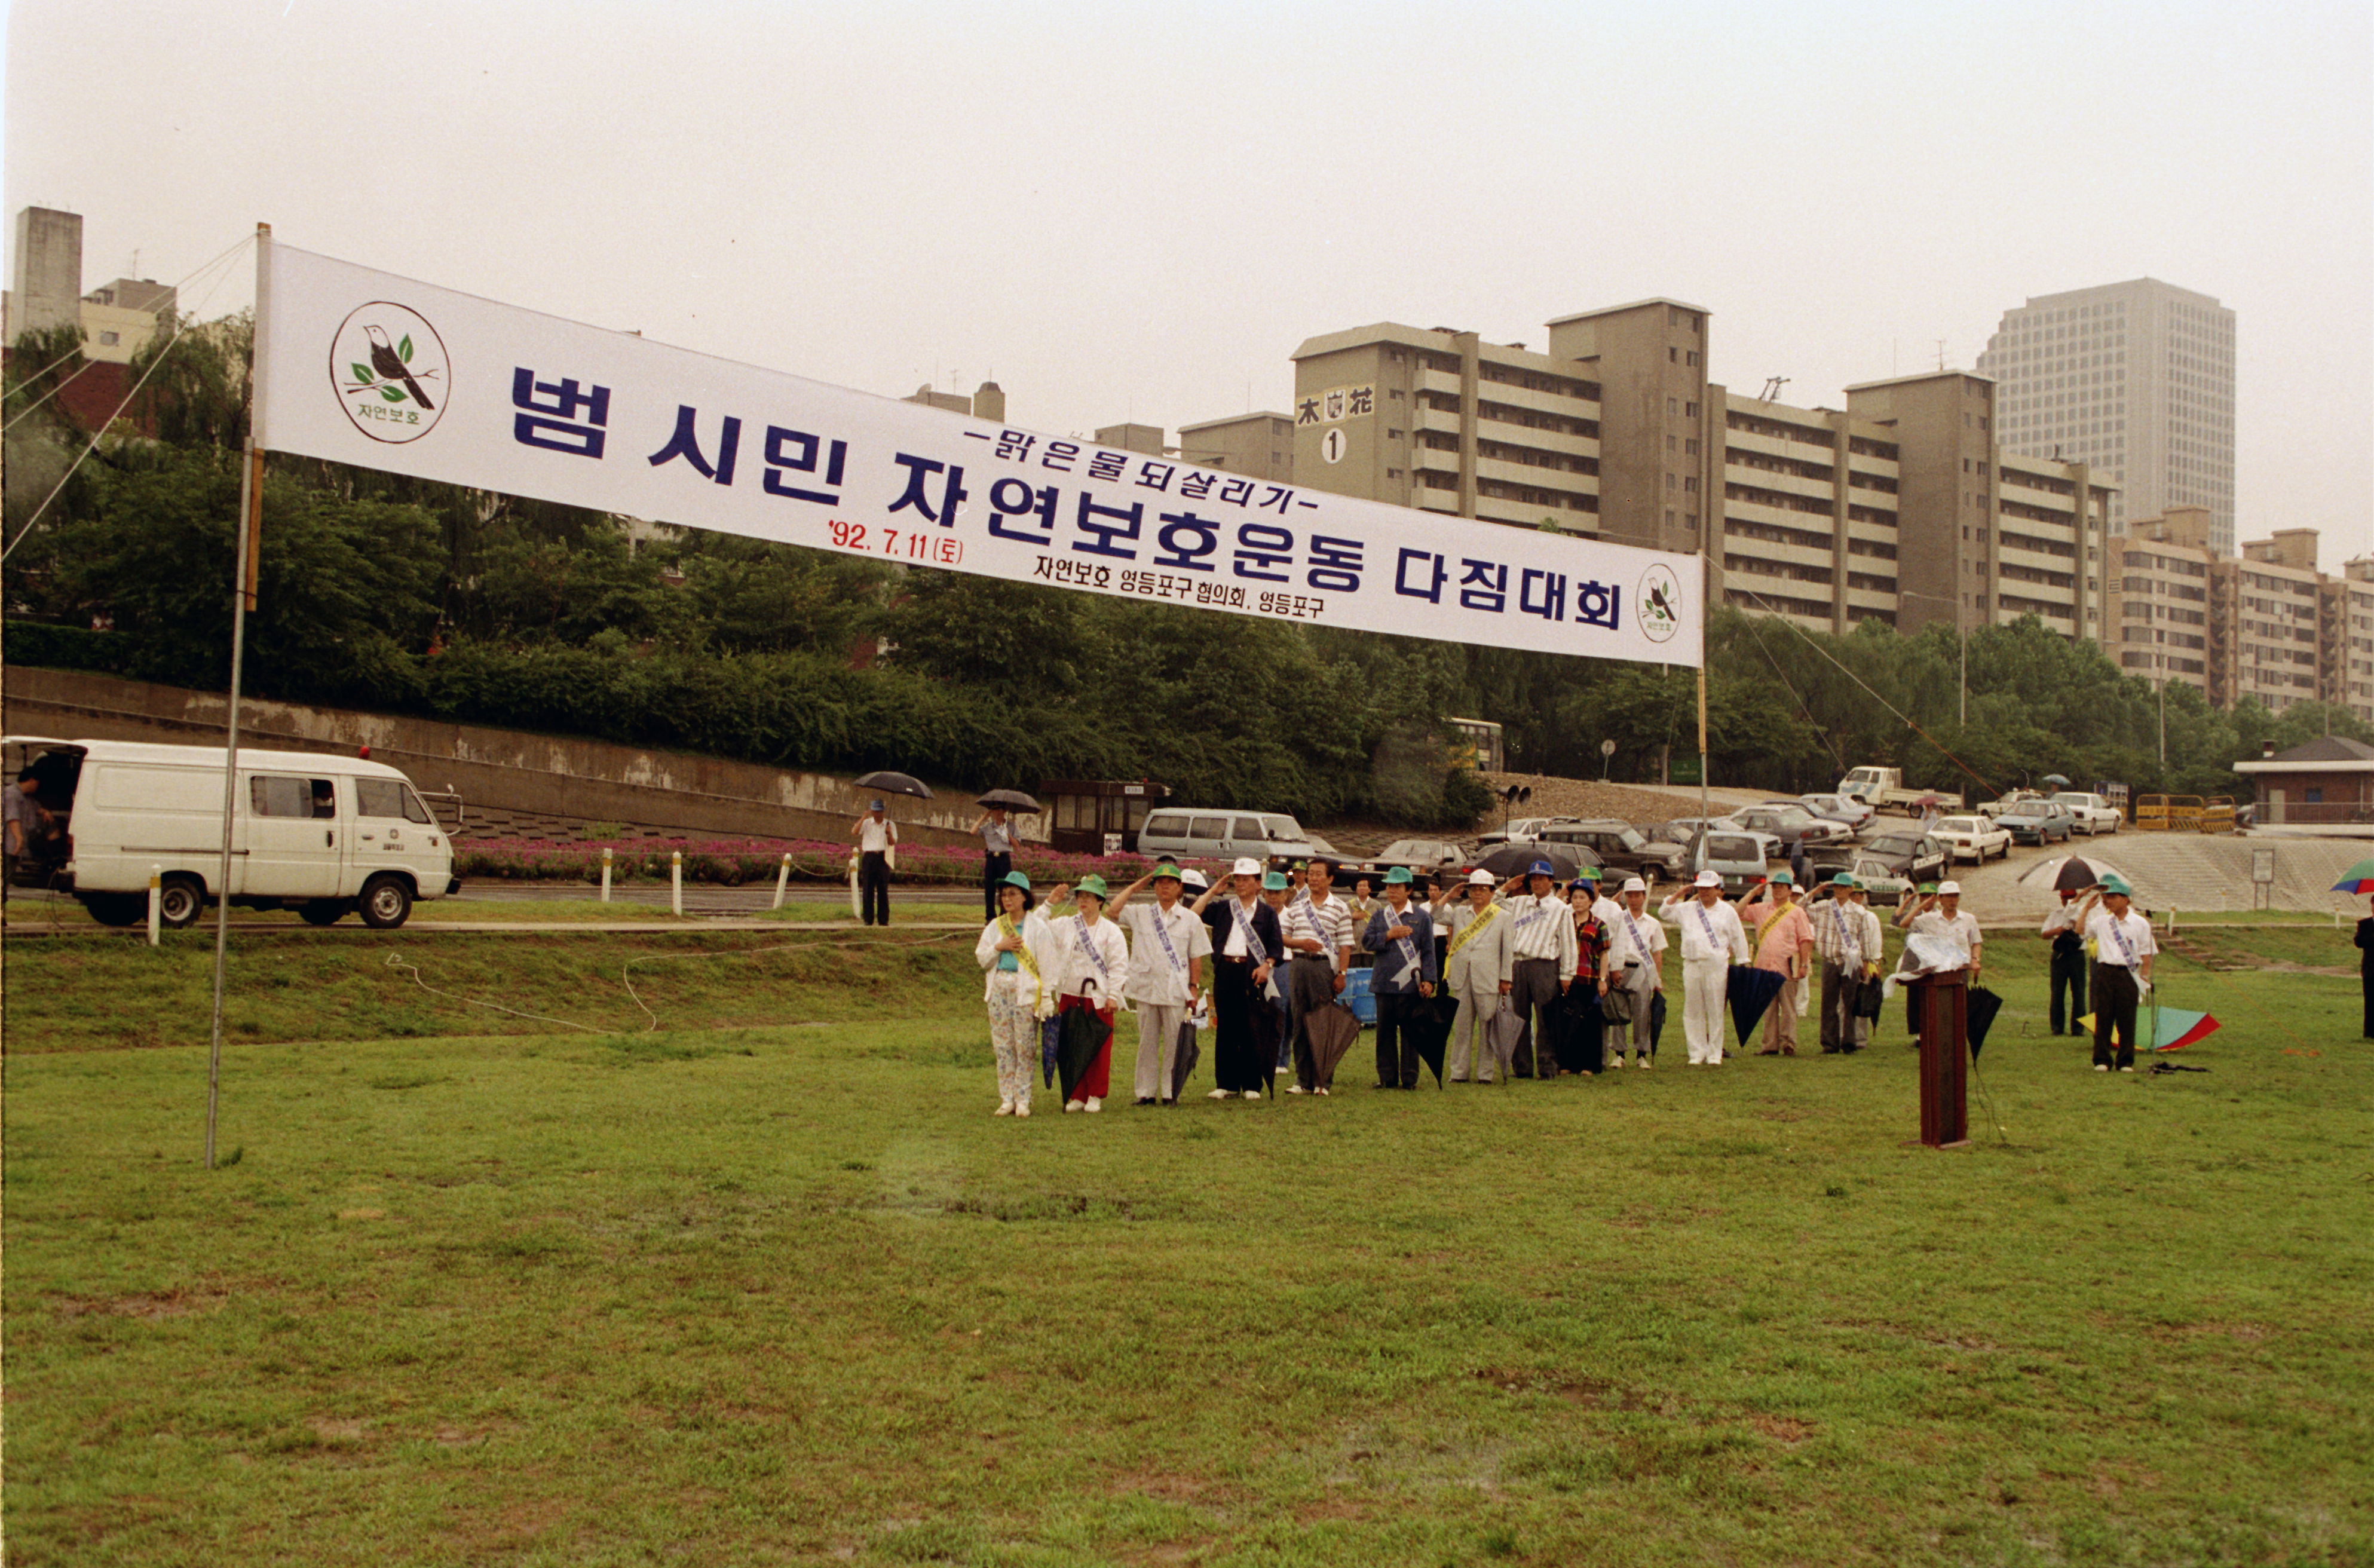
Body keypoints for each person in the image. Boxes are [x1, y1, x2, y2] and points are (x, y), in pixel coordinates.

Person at [1108, 863, 1212, 1107]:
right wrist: (1137, 885)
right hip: (1146, 987)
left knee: (1175, 1043)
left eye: (1170, 882)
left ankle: (1170, 1092)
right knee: (1147, 1042)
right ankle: (1145, 1092)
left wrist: (1194, 988)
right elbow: (1113, 911)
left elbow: (1195, 956)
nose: (1165, 886)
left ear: (1179, 888)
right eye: (1160, 882)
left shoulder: (1189, 919)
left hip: (1176, 989)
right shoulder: (1141, 913)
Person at [1193, 858, 1282, 1100]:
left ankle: (1252, 1084)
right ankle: (1227, 1083)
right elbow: (1193, 914)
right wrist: (1213, 891)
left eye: (1246, 879)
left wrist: (1267, 966)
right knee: (1227, 1028)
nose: (1241, 884)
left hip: (1252, 974)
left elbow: (1277, 948)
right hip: (1226, 972)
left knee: (1251, 1027)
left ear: (1258, 883)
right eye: (1238, 879)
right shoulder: (1224, 908)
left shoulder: (1267, 913)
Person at [1046, 874, 1129, 1112]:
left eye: (1089, 897)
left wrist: (1113, 994)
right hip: (1070, 993)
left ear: (1100, 901)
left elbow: (1119, 966)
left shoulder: (1111, 932)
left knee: (1098, 1047)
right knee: (1071, 1046)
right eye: (1081, 896)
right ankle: (1077, 1094)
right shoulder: (1066, 924)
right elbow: (1039, 928)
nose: (1083, 901)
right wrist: (1050, 903)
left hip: (1098, 996)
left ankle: (1095, 1093)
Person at [1281, 858, 1356, 1096]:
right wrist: (1300, 943)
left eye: (1318, 874)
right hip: (1299, 966)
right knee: (1300, 1023)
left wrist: (1342, 974)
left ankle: (1322, 1080)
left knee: (1323, 1023)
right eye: (1310, 874)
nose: (1313, 878)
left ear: (1330, 879)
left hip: (1324, 968)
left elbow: (1345, 945)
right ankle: (1303, 1080)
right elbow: (1283, 937)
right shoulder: (1297, 906)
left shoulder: (1340, 908)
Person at [973, 871, 1046, 1117]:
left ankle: (1023, 1098)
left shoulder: (1037, 927)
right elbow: (982, 958)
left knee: (1024, 1045)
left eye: (1013, 894)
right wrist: (999, 947)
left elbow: (1048, 962)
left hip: (1025, 991)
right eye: (1004, 894)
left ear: (1025, 897)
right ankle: (1007, 1098)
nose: (1007, 899)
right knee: (1003, 1045)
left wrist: (1046, 996)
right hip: (999, 989)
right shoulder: (996, 926)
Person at [1661, 870, 1750, 1066]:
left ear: (1718, 890)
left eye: (1709, 888)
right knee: (1693, 1010)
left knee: (1716, 1009)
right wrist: (1678, 893)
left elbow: (1738, 937)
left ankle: (1714, 1054)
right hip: (1692, 964)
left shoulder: (1727, 912)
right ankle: (1696, 1053)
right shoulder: (1687, 908)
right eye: (1701, 888)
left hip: (1716, 965)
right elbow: (1664, 913)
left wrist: (1744, 961)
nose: (1705, 892)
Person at [1501, 860, 1579, 1080]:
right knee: (1519, 1017)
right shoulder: (1519, 903)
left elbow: (1568, 943)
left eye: (1541, 879)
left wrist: (1567, 975)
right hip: (1518, 963)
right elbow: (1493, 903)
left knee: (1546, 1017)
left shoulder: (1561, 909)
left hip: (1544, 965)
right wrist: (1507, 887)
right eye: (1533, 879)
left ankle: (1548, 1066)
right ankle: (1522, 1067)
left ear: (1551, 882)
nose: (1536, 883)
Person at [1361, 867, 1438, 1089]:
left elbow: (1429, 951)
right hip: (1384, 982)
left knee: (1410, 1033)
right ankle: (1387, 1077)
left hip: (1410, 984)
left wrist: (1430, 980)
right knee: (1384, 1033)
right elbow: (1367, 942)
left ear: (1409, 890)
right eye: (1389, 886)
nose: (1392, 891)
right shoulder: (1379, 915)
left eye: (1397, 886)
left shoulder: (1422, 918)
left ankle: (1410, 1077)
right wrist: (1388, 935)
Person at [2073, 875, 2155, 1071]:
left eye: (2112, 897)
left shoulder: (2140, 923)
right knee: (2103, 1016)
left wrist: (2145, 977)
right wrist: (2086, 909)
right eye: (2106, 897)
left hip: (2129, 974)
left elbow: (2147, 953)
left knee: (2127, 1018)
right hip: (2106, 972)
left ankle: (2126, 1060)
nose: (2107, 900)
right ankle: (2102, 1060)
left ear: (2126, 899)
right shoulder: (2102, 922)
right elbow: (2080, 930)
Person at [1442, 869, 1512, 1083]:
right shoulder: (1459, 912)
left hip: (1489, 976)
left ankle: (1485, 1074)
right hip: (1462, 975)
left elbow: (1507, 950)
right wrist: (1450, 895)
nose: (1478, 893)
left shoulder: (1503, 916)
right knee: (1462, 1027)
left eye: (1483, 889)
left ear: (1492, 892)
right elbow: (1433, 914)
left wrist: (1506, 978)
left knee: (1487, 1027)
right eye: (1474, 889)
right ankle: (1459, 1072)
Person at [1738, 873, 1815, 1056]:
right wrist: (1752, 893)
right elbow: (1737, 912)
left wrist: (1804, 964)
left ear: (1790, 890)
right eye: (1775, 887)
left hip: (1787, 965)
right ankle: (1770, 1045)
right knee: (1768, 1008)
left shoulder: (1797, 912)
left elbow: (1805, 939)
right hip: (1765, 966)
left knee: (1789, 1008)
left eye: (1782, 887)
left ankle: (1789, 1043)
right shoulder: (1761, 909)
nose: (1777, 890)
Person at [1598, 875, 1667, 1069]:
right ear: (1625, 897)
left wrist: (1657, 979)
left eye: (1637, 895)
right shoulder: (1617, 918)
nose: (1634, 899)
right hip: (1620, 968)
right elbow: (1608, 943)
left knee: (1642, 1011)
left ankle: (1641, 1053)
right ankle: (1619, 1053)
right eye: (1630, 895)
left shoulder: (1653, 923)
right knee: (1619, 1010)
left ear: (1644, 897)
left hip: (1643, 969)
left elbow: (1658, 952)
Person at [1814, 872, 1883, 1054]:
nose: (1839, 890)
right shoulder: (1824, 907)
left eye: (1843, 887)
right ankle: (1829, 1043)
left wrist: (1868, 963)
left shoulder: (1860, 912)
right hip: (1830, 960)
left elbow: (1865, 940)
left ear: (1850, 889)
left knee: (1851, 1003)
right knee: (1828, 1004)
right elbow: (1799, 908)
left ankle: (1850, 1042)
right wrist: (1816, 890)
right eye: (1836, 886)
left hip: (1851, 962)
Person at [1557, 876, 1610, 1075]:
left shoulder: (1599, 925)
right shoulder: (1565, 921)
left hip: (1590, 978)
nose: (1578, 901)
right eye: (1575, 898)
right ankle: (1568, 1063)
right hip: (1567, 978)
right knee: (1567, 1022)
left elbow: (1604, 954)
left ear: (1591, 901)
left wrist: (1603, 980)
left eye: (1582, 897)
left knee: (1589, 1023)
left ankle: (1590, 1065)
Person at [2040, 887, 2090, 1037]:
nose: (2068, 900)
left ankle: (2078, 1027)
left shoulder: (2083, 913)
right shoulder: (2056, 915)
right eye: (2065, 897)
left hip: (2077, 953)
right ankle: (2057, 1026)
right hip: (2060, 955)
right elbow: (2044, 934)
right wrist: (2058, 930)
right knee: (2057, 991)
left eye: (2071, 897)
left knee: (2079, 992)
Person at [3, 768, 60, 895]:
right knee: (5, 874)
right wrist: (19, 839)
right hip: (9, 844)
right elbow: (12, 818)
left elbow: (36, 808)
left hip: (16, 845)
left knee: (8, 875)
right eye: (37, 783)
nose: (38, 787)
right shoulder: (11, 795)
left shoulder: (27, 798)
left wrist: (45, 812)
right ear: (32, 780)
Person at [852, 799, 897, 926]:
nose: (876, 814)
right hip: (869, 856)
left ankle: (883, 919)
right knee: (868, 888)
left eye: (879, 811)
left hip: (883, 857)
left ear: (883, 811)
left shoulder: (890, 824)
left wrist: (889, 834)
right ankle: (868, 919)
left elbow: (893, 843)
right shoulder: (867, 823)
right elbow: (855, 832)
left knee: (883, 888)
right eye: (874, 811)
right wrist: (863, 818)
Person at [972, 806, 1016, 920]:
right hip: (992, 858)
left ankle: (1004, 915)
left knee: (1005, 888)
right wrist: (984, 817)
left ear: (1005, 812)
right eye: (996, 810)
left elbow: (1017, 844)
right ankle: (990, 917)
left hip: (1004, 858)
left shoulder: (1011, 826)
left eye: (1001, 810)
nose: (999, 813)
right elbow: (973, 831)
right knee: (990, 888)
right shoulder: (988, 827)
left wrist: (1008, 835)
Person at [2359, 895, 2374, 1040]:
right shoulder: (2365, 924)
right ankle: (2370, 1032)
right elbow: (2359, 942)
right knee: (2370, 1001)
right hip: (2371, 969)